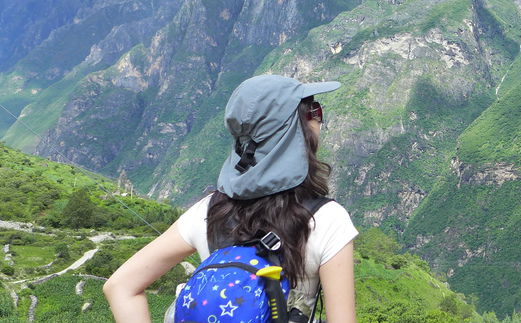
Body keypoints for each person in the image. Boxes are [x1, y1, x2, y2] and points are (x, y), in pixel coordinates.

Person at [103, 74, 357, 323]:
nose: (319, 120)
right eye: (314, 112)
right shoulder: (327, 220)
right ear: (295, 132)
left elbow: (120, 286)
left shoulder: (209, 210)